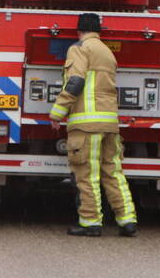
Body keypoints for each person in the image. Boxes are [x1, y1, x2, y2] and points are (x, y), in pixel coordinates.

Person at [49, 13, 137, 237]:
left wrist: (58, 112)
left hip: (86, 124)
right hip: (109, 124)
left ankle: (90, 223)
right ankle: (127, 220)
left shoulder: (79, 48)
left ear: (79, 30)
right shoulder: (107, 52)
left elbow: (75, 81)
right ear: (99, 30)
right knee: (113, 172)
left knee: (87, 175)